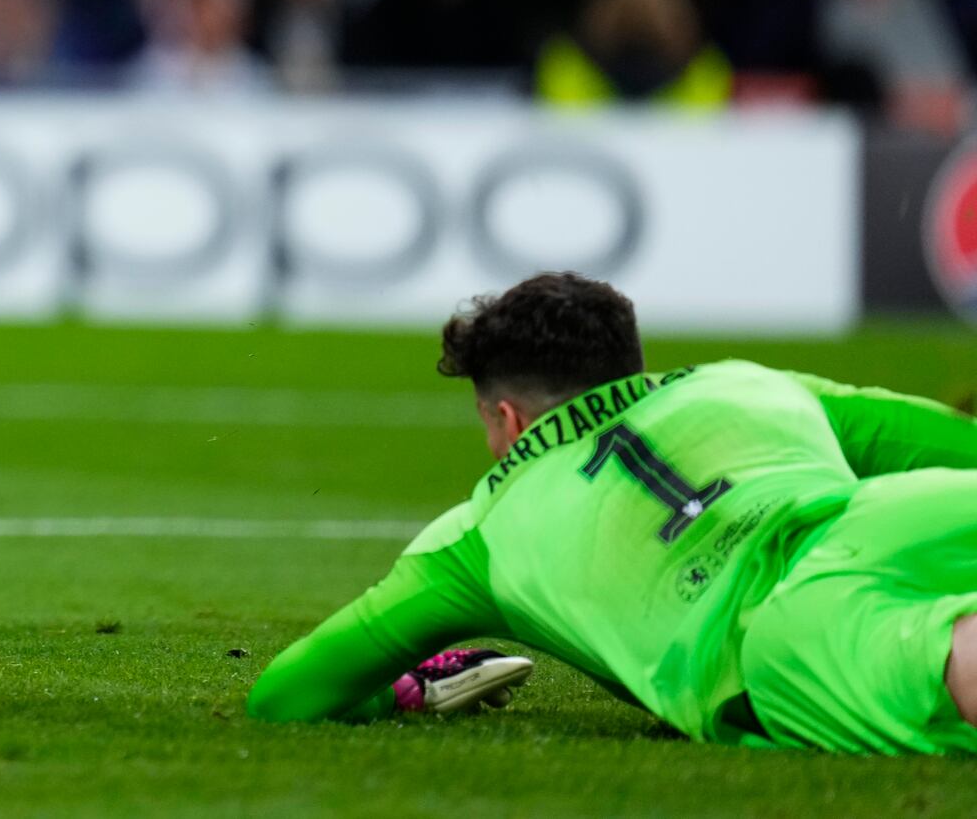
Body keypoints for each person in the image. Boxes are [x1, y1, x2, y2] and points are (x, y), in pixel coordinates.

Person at [247, 272, 977, 755]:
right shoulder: (747, 383)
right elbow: (954, 441)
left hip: (782, 628)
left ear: (505, 417)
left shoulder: (476, 538)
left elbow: (286, 693)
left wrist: (395, 693)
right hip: (884, 513)